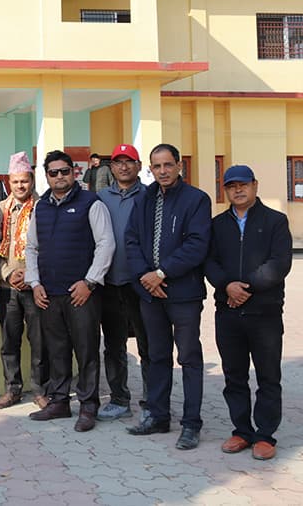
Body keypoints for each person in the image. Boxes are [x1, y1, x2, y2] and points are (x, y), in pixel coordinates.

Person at [124, 143, 211, 450]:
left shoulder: (197, 200)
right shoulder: (144, 198)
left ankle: (191, 424)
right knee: (157, 356)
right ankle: (159, 416)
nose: (162, 171)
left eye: (167, 165)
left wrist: (161, 274)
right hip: (150, 295)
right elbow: (131, 241)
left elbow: (197, 245)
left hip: (183, 294)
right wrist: (146, 278)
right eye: (156, 166)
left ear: (179, 166)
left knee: (188, 358)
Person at [205, 165, 293, 461]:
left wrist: (245, 289)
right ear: (226, 191)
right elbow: (210, 262)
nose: (238, 190)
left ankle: (265, 435)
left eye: (243, 184)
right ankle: (241, 431)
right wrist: (226, 285)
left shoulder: (276, 221)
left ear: (255, 185)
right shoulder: (217, 225)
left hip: (264, 313)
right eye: (231, 186)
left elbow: (279, 264)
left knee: (268, 376)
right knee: (234, 375)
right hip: (227, 313)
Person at [26, 150, 114, 433]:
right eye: (54, 173)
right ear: (47, 175)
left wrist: (89, 282)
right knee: (57, 350)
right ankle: (60, 402)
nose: (60, 177)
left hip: (81, 293)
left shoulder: (91, 202)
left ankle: (88, 406)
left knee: (87, 350)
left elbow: (106, 244)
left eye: (65, 171)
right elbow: (32, 248)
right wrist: (35, 283)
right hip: (49, 293)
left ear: (74, 172)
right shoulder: (41, 207)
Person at [96, 144, 151, 423]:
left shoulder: (150, 196)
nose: (123, 167)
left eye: (129, 161)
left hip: (140, 283)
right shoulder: (100, 197)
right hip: (109, 282)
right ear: (111, 167)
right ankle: (119, 399)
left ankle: (153, 401)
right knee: (114, 345)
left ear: (139, 166)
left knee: (148, 343)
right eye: (118, 162)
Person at [0, 151, 47, 411]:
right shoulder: (0, 210)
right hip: (6, 287)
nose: (20, 186)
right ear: (8, 183)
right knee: (9, 340)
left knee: (38, 340)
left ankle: (40, 389)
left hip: (35, 287)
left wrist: (31, 275)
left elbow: (50, 248)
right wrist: (7, 273)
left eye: (24, 181)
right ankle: (12, 389)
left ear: (32, 180)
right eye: (15, 182)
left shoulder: (43, 208)